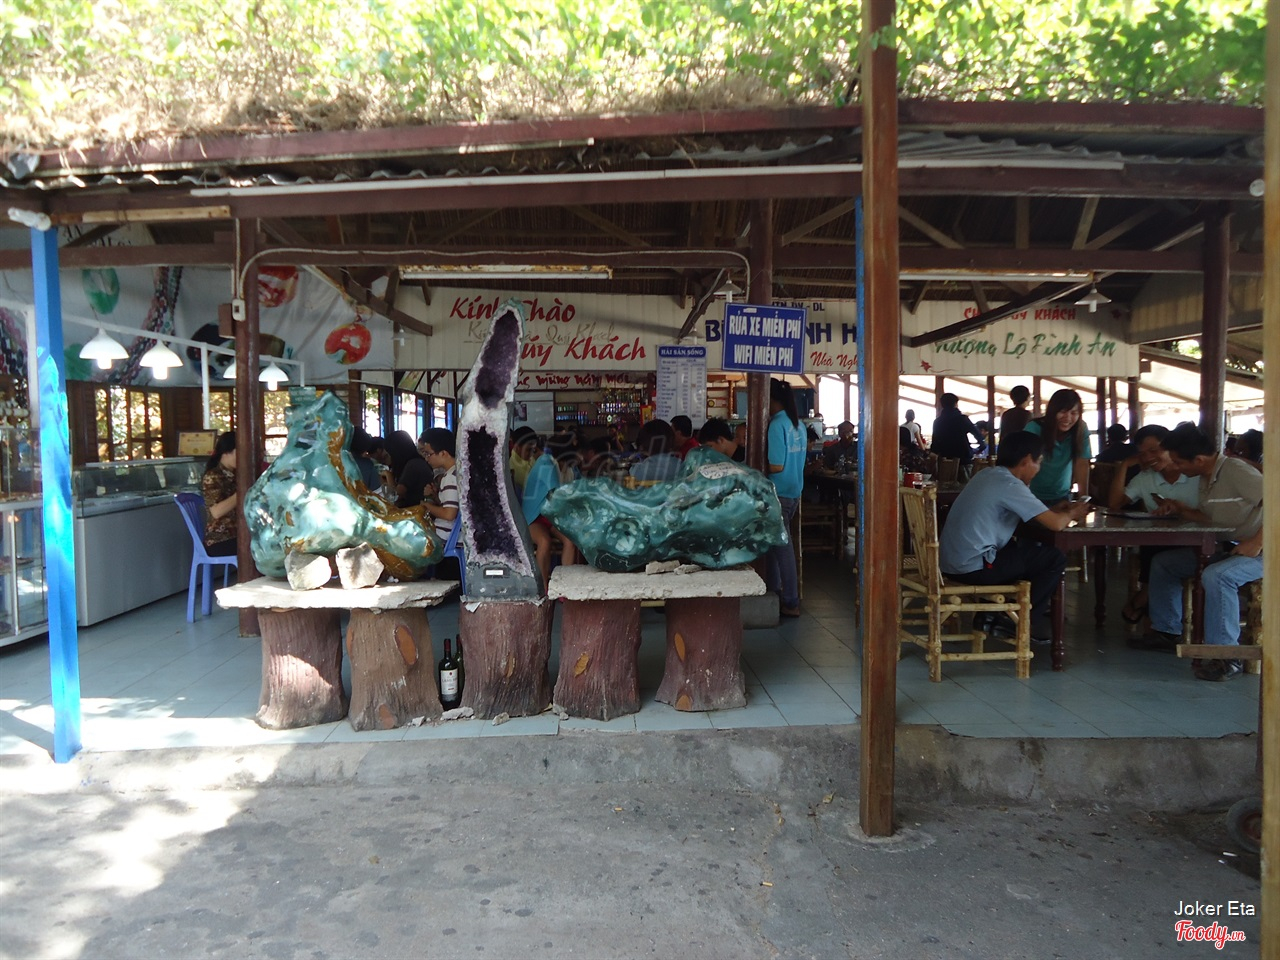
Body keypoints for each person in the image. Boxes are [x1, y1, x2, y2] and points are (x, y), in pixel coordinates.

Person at [940, 431, 1093, 643]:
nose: (1038, 469)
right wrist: (1072, 513)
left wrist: (1054, 509)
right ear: (1026, 460)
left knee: (1017, 551)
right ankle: (1019, 622)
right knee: (1053, 559)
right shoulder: (1011, 485)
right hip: (974, 568)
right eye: (1038, 462)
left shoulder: (987, 475)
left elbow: (1032, 512)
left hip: (951, 564)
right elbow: (1056, 524)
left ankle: (992, 614)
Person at [1143, 423, 1263, 680]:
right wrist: (1180, 509)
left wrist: (1257, 542)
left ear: (1198, 460)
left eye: (1179, 462)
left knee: (1218, 575)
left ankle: (1226, 657)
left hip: (1267, 551)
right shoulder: (1206, 477)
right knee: (1164, 563)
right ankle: (1167, 631)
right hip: (1231, 547)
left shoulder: (1236, 470)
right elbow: (1212, 517)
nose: (1176, 467)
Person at [1105, 424, 1201, 625]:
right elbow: (1114, 504)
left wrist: (1180, 509)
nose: (1148, 458)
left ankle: (1145, 597)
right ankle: (1154, 611)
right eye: (1142, 453)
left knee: (1155, 549)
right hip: (1162, 542)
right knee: (1153, 543)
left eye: (1154, 450)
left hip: (1197, 542)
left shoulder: (1195, 475)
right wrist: (1124, 465)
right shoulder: (1145, 478)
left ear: (1171, 448)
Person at [766, 379, 805, 618]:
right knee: (775, 546)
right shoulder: (797, 424)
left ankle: (790, 600)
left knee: (782, 547)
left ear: (771, 399)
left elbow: (776, 466)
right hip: (794, 490)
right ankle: (775, 592)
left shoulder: (776, 424)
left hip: (778, 491)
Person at [522, 432, 580, 585]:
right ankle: (542, 589)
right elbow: (557, 496)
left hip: (550, 516)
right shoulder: (545, 463)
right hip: (533, 517)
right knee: (544, 542)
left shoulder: (566, 468)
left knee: (570, 541)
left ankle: (565, 586)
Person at [1023, 389, 1091, 505]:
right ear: (1052, 411)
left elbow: (1082, 463)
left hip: (1063, 496)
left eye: (1074, 413)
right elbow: (1023, 464)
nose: (1068, 418)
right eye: (1063, 412)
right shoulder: (1034, 428)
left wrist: (1083, 500)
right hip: (1032, 496)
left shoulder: (1081, 429)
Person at [418, 427, 460, 581]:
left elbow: (449, 514)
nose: (426, 459)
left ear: (443, 453)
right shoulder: (456, 472)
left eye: (429, 454)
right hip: (451, 534)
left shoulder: (450, 477)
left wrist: (426, 506)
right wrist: (435, 496)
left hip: (446, 537)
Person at [201, 431, 239, 558]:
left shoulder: (236, 474)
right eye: (238, 452)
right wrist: (241, 493)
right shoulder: (213, 476)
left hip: (238, 534)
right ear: (226, 452)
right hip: (220, 539)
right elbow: (216, 512)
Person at [929, 393, 983, 467]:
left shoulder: (937, 422)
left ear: (941, 405)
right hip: (963, 458)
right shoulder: (962, 419)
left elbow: (935, 445)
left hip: (945, 460)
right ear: (955, 404)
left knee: (946, 475)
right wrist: (979, 448)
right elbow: (977, 434)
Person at [386, 431, 432, 509]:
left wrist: (388, 475)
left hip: (416, 510)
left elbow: (396, 495)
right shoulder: (413, 462)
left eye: (388, 454)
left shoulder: (414, 465)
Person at [998, 385, 1032, 451]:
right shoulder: (1027, 414)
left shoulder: (1006, 414)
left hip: (1007, 449)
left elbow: (1002, 435)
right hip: (1020, 450)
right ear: (1027, 397)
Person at [508, 426, 539, 495]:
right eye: (528, 450)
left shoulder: (529, 459)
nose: (531, 454)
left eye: (533, 450)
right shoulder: (514, 470)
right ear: (517, 447)